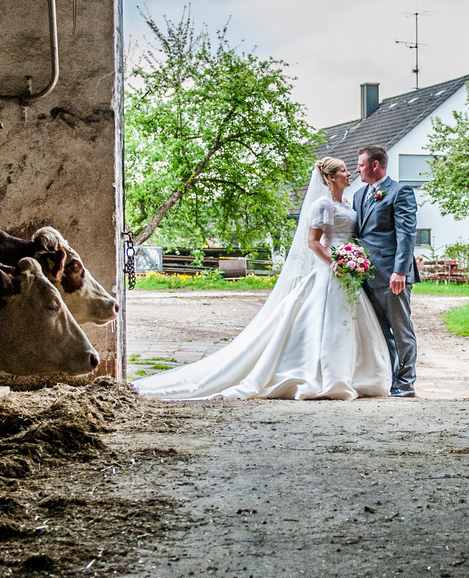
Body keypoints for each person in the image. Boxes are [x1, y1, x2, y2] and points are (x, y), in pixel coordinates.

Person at [132, 156, 392, 400]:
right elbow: (312, 242)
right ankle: (320, 374)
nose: (350, 174)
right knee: (322, 323)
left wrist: (352, 259)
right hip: (330, 270)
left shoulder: (348, 203)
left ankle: (352, 374)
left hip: (348, 271)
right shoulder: (322, 205)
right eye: (345, 171)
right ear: (331, 177)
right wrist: (334, 261)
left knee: (349, 322)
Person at [352, 145, 420, 397]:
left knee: (400, 330)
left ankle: (406, 383)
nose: (356, 169)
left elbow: (406, 233)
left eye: (360, 164)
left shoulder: (400, 191)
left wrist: (400, 271)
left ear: (375, 165)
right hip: (366, 276)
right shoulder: (359, 196)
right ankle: (389, 379)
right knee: (380, 332)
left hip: (393, 277)